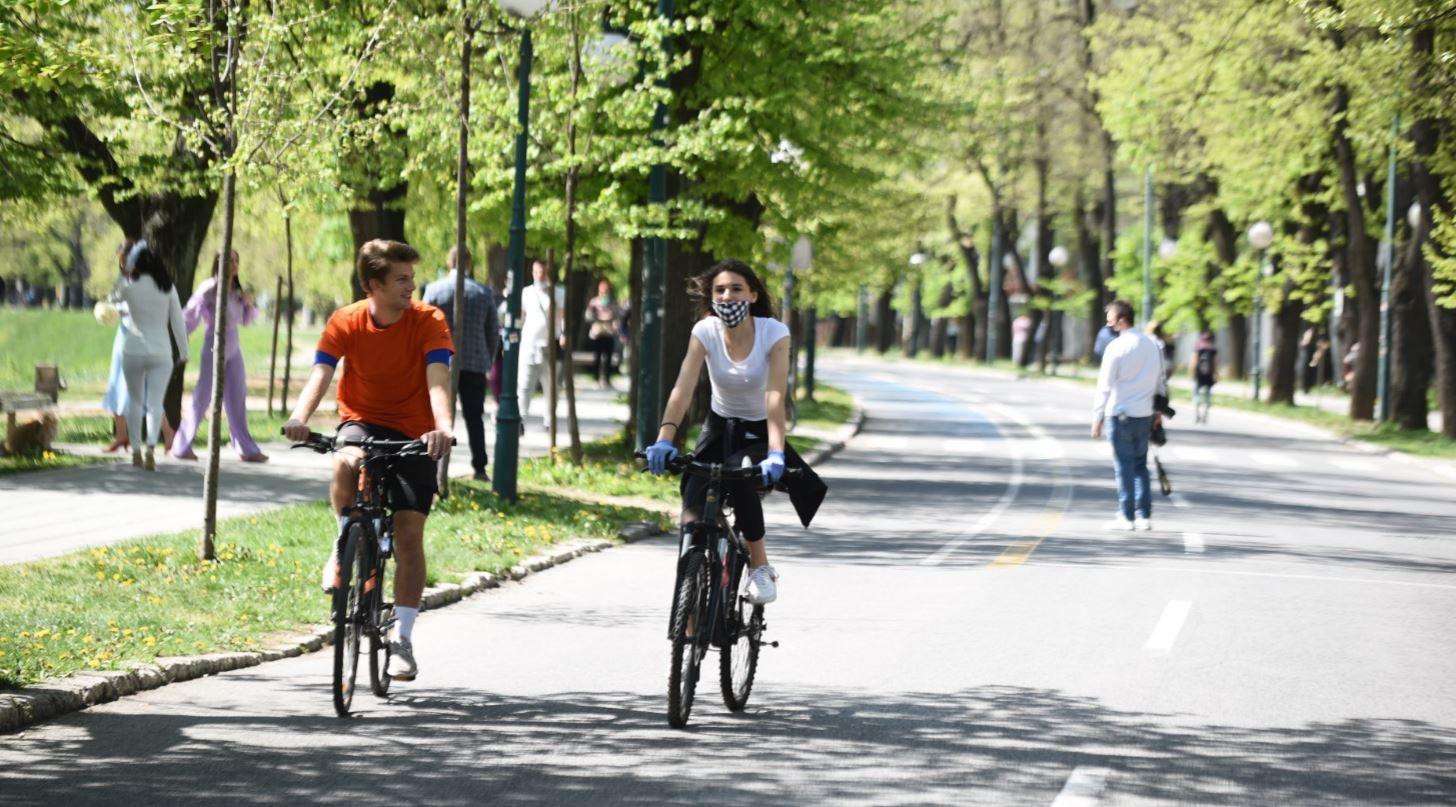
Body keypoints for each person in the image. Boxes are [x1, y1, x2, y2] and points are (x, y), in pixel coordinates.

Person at [283, 239, 454, 682]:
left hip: (417, 432)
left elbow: (438, 378)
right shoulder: (346, 320)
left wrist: (443, 427)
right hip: (362, 420)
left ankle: (403, 638)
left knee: (409, 531)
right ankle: (344, 543)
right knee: (344, 460)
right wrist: (300, 417)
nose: (411, 286)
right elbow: (321, 374)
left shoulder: (429, 320)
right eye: (402, 279)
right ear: (373, 284)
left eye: (412, 278)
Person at [645, 258, 827, 605]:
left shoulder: (774, 333)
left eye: (736, 289)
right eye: (720, 290)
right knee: (694, 498)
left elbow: (775, 397)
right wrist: (664, 439)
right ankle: (691, 586)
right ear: (711, 299)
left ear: (754, 295)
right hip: (719, 425)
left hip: (759, 431)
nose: (728, 296)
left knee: (741, 475)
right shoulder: (705, 331)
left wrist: (775, 452)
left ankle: (760, 565)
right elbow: (683, 388)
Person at [171, 250, 267, 462]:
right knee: (203, 396)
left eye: (235, 260)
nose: (232, 264)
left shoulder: (237, 291)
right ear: (218, 263)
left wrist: (248, 303)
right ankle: (181, 446)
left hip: (234, 346)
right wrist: (180, 332)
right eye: (228, 260)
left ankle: (246, 448)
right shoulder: (210, 287)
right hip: (214, 344)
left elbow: (247, 320)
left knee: (237, 396)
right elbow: (190, 312)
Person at [422, 246, 500, 481]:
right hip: (475, 363)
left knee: (438, 416)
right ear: (468, 263)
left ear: (449, 262)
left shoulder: (434, 290)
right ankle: (480, 467)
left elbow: (422, 327)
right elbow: (493, 331)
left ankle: (432, 467)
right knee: (475, 418)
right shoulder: (483, 292)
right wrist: (489, 358)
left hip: (441, 364)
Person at [1091, 299, 1167, 532]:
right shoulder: (1151, 344)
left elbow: (1105, 384)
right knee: (1140, 464)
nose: (1107, 321)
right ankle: (1143, 515)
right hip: (1144, 413)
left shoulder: (1116, 347)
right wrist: (1158, 412)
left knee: (1123, 465)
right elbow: (1160, 381)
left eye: (1110, 316)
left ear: (1122, 319)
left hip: (1120, 413)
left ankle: (1126, 515)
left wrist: (1097, 417)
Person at [112, 241, 188, 471]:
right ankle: (151, 448)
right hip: (161, 351)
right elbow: (178, 322)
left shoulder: (130, 286)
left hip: (133, 349)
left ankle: (136, 450)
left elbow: (113, 298)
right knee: (155, 403)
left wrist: (123, 274)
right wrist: (183, 352)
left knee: (135, 401)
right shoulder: (168, 288)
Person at [517, 259, 565, 431]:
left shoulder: (558, 292)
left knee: (551, 387)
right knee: (524, 384)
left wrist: (563, 334)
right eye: (537, 272)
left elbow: (563, 316)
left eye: (543, 272)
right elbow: (521, 317)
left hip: (550, 345)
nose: (540, 275)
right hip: (529, 345)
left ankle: (549, 421)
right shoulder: (526, 293)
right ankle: (521, 419)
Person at [583, 279, 624, 390]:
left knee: (608, 358)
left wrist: (613, 322)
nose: (604, 293)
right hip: (598, 334)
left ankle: (607, 380)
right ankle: (596, 379)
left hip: (609, 334)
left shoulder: (613, 303)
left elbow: (618, 315)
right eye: (602, 290)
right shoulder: (594, 302)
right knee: (597, 357)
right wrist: (599, 319)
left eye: (606, 290)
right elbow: (588, 316)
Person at [1192, 329, 1217, 424]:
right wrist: (1216, 374)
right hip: (1209, 375)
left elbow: (1194, 361)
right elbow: (1215, 363)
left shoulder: (1198, 348)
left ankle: (1197, 415)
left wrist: (1192, 373)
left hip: (1199, 375)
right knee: (1208, 396)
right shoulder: (1213, 349)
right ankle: (1205, 415)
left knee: (1196, 394)